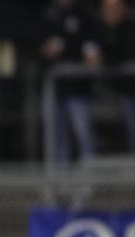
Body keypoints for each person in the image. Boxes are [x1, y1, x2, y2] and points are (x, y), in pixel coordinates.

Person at [40, 0, 101, 164]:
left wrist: (91, 56)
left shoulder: (84, 13)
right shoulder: (49, 13)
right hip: (55, 89)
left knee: (84, 136)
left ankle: (88, 183)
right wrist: (46, 50)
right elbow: (40, 46)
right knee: (57, 137)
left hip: (78, 88)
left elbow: (92, 48)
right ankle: (60, 184)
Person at [96, 0, 135, 152]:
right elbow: (107, 54)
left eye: (115, 7)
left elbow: (126, 51)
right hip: (119, 87)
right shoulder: (102, 28)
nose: (112, 12)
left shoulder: (130, 27)